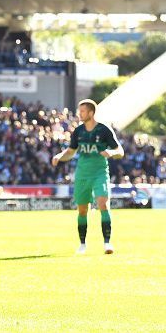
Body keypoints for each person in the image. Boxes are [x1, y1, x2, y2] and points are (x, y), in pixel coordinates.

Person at [52, 99, 124, 255]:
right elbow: (70, 152)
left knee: (103, 204)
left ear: (91, 113)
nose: (80, 114)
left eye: (82, 111)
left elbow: (120, 150)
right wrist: (59, 156)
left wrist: (111, 153)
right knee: (83, 210)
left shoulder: (104, 130)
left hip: (99, 172)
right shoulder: (78, 131)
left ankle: (107, 243)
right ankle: (82, 244)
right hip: (82, 174)